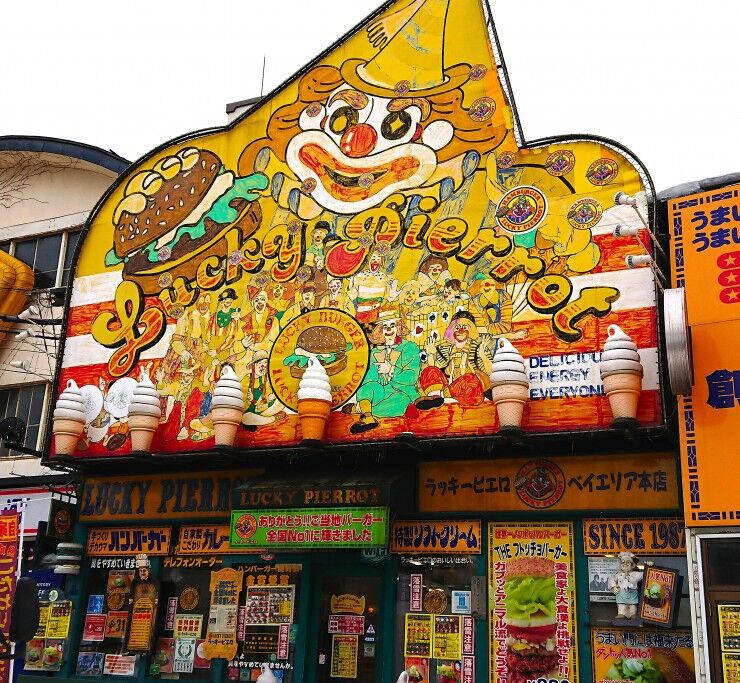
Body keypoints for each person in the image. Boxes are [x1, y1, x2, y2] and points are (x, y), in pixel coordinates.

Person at [343, 307, 420, 433]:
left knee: (400, 404)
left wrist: (391, 370)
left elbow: (411, 376)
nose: (389, 330)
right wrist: (375, 383)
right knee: (366, 389)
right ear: (380, 330)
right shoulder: (374, 352)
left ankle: (361, 409)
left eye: (392, 325)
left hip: (402, 392)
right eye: (385, 327)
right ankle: (368, 418)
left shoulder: (410, 347)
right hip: (381, 392)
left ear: (398, 327)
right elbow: (369, 379)